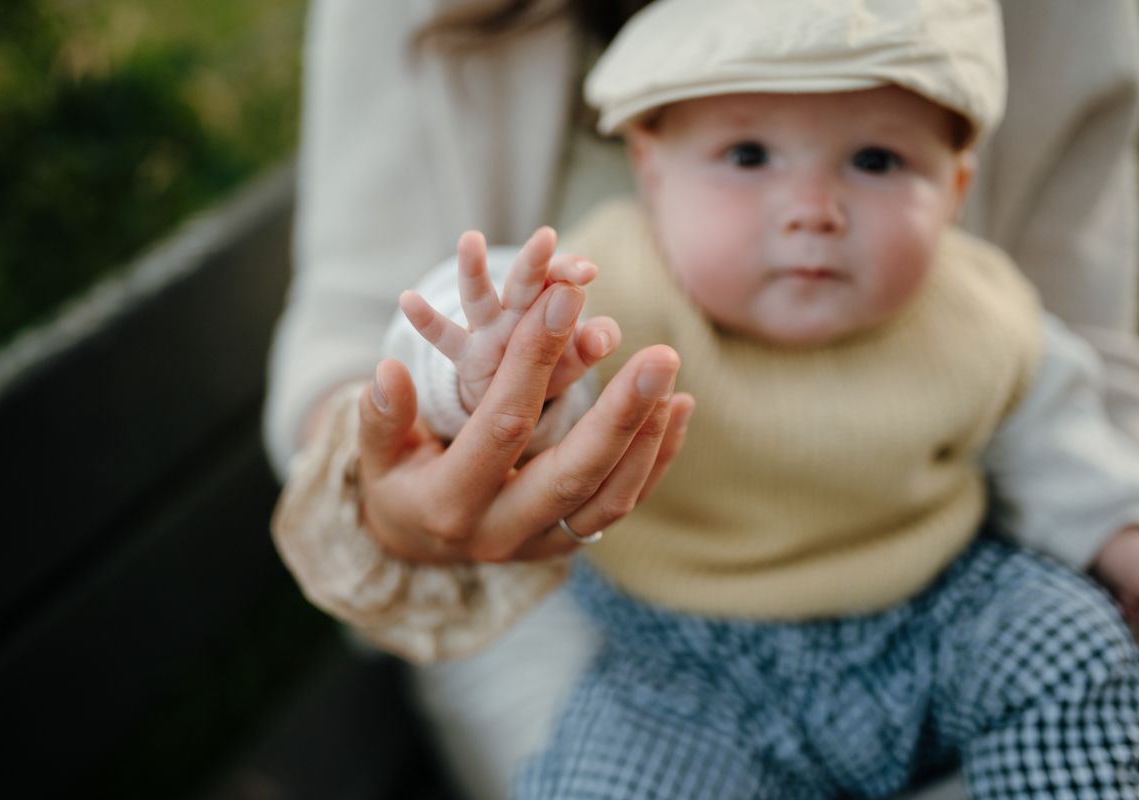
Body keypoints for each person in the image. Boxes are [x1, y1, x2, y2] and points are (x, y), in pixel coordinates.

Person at [266, 1, 1139, 798]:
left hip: (940, 615)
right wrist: (482, 365)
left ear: (954, 187)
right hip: (681, 666)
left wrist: (1117, 532)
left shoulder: (978, 306)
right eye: (748, 156)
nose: (813, 209)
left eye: (876, 160)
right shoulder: (619, 287)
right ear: (649, 171)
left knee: (1070, 648)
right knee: (612, 783)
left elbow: (1056, 435)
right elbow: (525, 356)